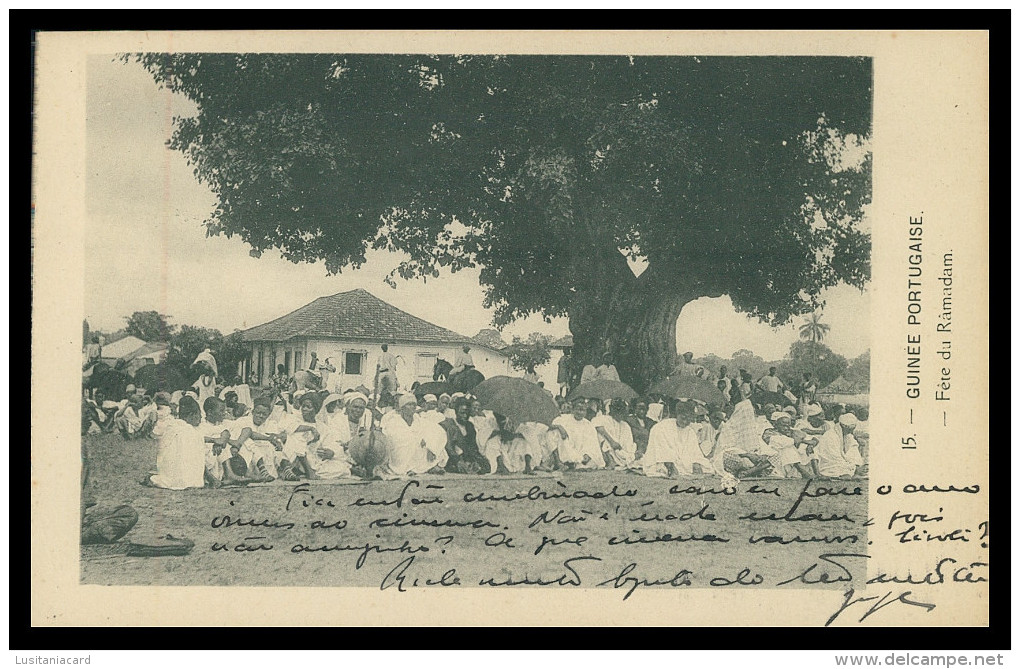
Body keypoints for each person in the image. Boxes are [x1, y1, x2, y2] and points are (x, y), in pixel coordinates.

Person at [145, 396, 208, 490]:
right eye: (199, 415)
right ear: (191, 415)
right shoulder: (190, 430)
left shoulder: (172, 426)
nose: (201, 418)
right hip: (187, 478)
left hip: (167, 470)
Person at [637, 401, 714, 477]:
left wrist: (696, 462)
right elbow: (660, 449)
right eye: (683, 418)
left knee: (705, 466)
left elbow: (695, 451)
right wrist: (670, 464)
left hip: (682, 461)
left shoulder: (690, 431)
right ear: (677, 415)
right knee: (659, 468)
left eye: (688, 419)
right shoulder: (661, 427)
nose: (685, 421)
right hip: (663, 460)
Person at [380, 394, 446, 477]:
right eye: (409, 404)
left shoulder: (419, 420)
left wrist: (429, 446)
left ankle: (430, 466)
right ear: (402, 407)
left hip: (418, 449)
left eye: (414, 405)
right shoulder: (393, 421)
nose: (412, 407)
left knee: (429, 444)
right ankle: (408, 468)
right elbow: (391, 437)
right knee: (409, 443)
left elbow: (435, 431)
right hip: (399, 450)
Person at [549, 399, 603, 470]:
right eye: (578, 409)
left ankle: (574, 464)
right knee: (553, 433)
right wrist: (559, 427)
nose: (580, 412)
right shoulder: (563, 418)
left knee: (593, 460)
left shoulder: (588, 424)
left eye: (583, 410)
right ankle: (560, 462)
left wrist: (588, 454)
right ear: (573, 410)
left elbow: (592, 443)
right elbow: (549, 426)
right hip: (566, 448)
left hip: (582, 452)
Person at [441, 397, 489, 474]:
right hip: (454, 457)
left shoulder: (470, 425)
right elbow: (449, 447)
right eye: (462, 413)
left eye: (467, 413)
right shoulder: (449, 425)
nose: (465, 416)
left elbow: (473, 446)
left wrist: (473, 460)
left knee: (486, 466)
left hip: (468, 456)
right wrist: (458, 461)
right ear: (456, 412)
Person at [593, 399, 637, 468]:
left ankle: (624, 459)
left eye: (621, 409)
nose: (619, 411)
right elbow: (598, 427)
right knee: (600, 436)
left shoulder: (625, 424)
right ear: (611, 408)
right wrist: (612, 442)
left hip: (621, 450)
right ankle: (610, 460)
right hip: (609, 448)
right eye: (616, 409)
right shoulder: (603, 418)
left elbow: (628, 442)